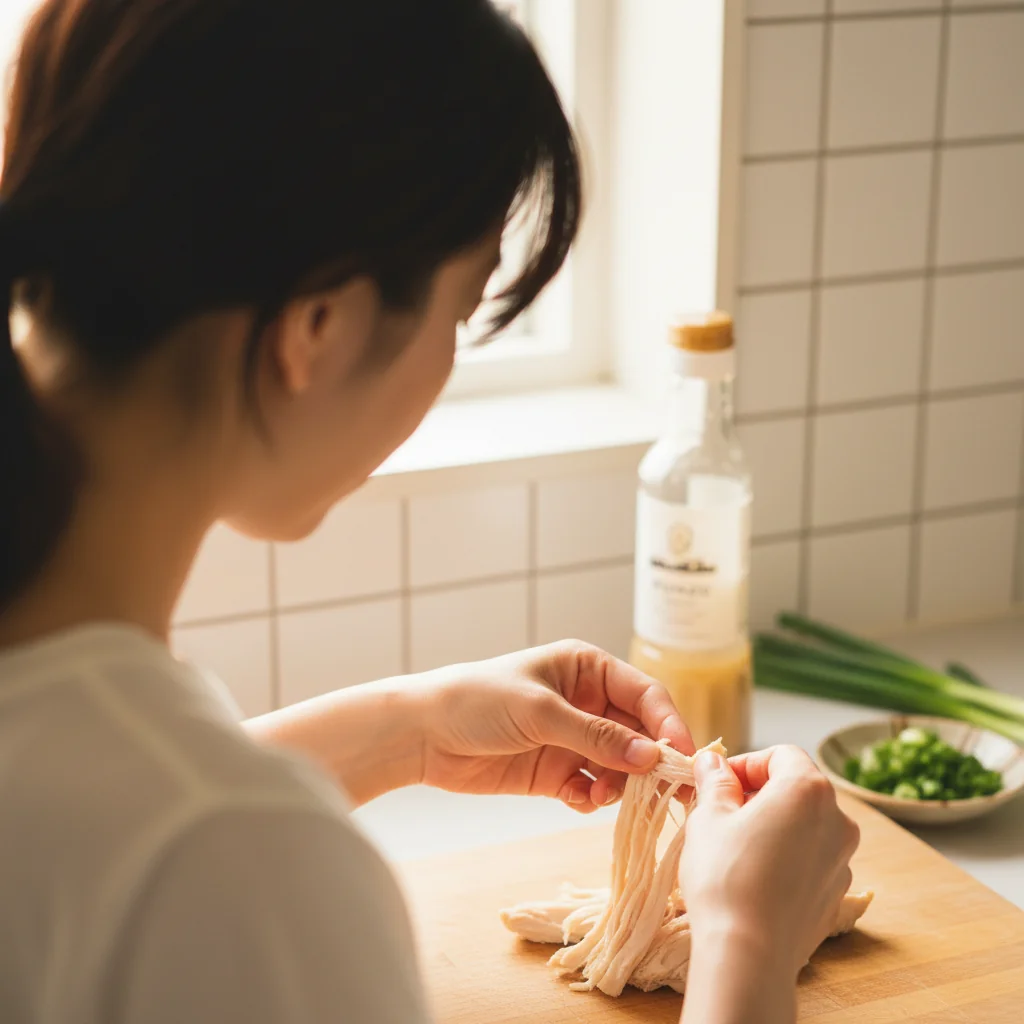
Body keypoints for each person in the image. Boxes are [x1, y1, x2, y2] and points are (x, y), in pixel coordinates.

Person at [0, 1, 860, 1022]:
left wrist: (407, 730)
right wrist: (745, 941)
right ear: (317, 327)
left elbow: (79, 821)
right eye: (460, 313)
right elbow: (177, 850)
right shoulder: (245, 871)